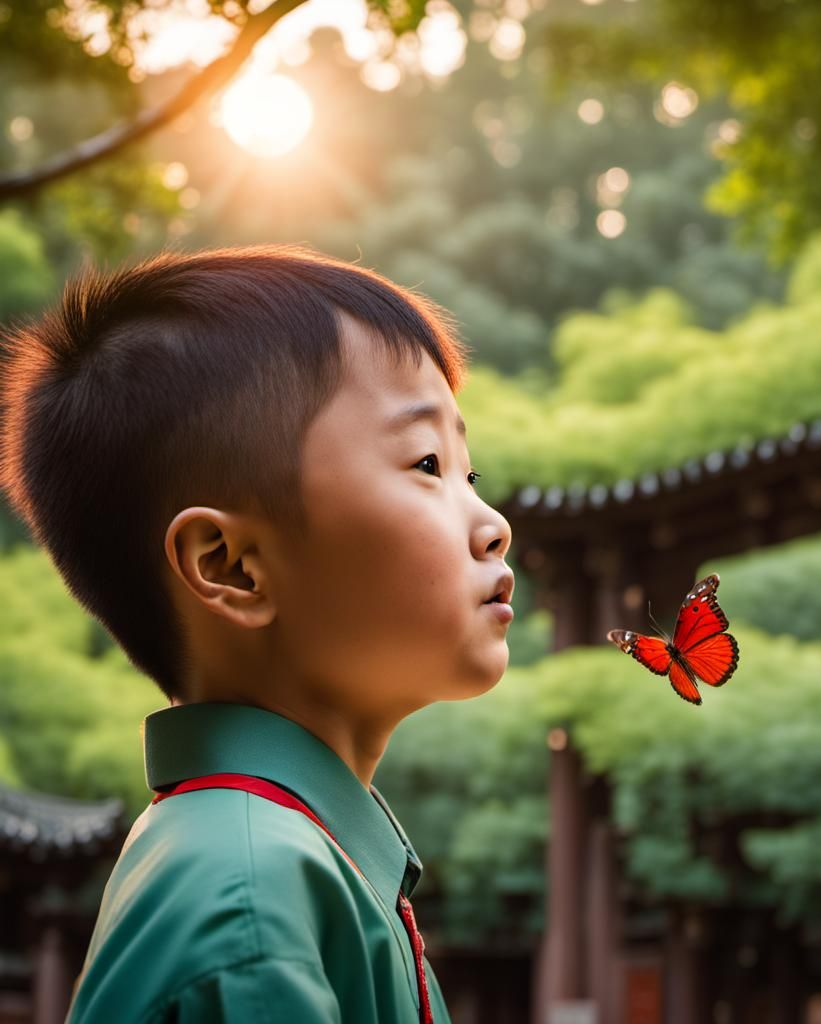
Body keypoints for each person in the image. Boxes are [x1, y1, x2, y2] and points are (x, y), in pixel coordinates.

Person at [0, 245, 516, 1023]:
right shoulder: (251, 902)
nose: (492, 527)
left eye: (468, 475)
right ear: (232, 567)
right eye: (426, 462)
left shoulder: (278, 860)